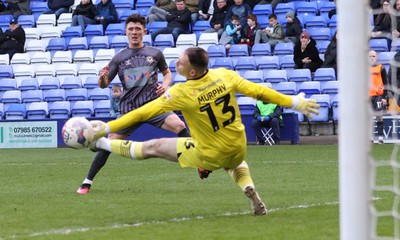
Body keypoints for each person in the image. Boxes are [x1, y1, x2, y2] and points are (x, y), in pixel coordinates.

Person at [86, 47, 320, 215]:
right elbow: (259, 91)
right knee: (234, 162)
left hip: (208, 154)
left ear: (192, 73)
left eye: (180, 62)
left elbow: (142, 113)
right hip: (239, 146)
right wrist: (293, 102)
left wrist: (108, 127)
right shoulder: (224, 75)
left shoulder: (181, 92)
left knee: (152, 147)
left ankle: (103, 144)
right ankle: (249, 188)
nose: (176, 63)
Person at [76, 14, 191, 194]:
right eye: (131, 29)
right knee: (110, 142)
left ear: (144, 31)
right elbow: (104, 84)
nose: (135, 32)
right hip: (129, 109)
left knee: (179, 125)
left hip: (154, 106)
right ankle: (87, 182)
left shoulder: (155, 53)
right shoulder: (119, 58)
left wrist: (165, 86)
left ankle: (200, 162)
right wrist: (101, 78)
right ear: (126, 32)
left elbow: (167, 74)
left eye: (138, 29)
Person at [369, 50, 388, 144]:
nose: (372, 58)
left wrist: (385, 97)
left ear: (376, 57)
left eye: (373, 56)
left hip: (378, 95)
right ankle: (371, 138)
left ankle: (380, 138)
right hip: (368, 96)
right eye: (370, 56)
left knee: (379, 116)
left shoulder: (381, 68)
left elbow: (386, 83)